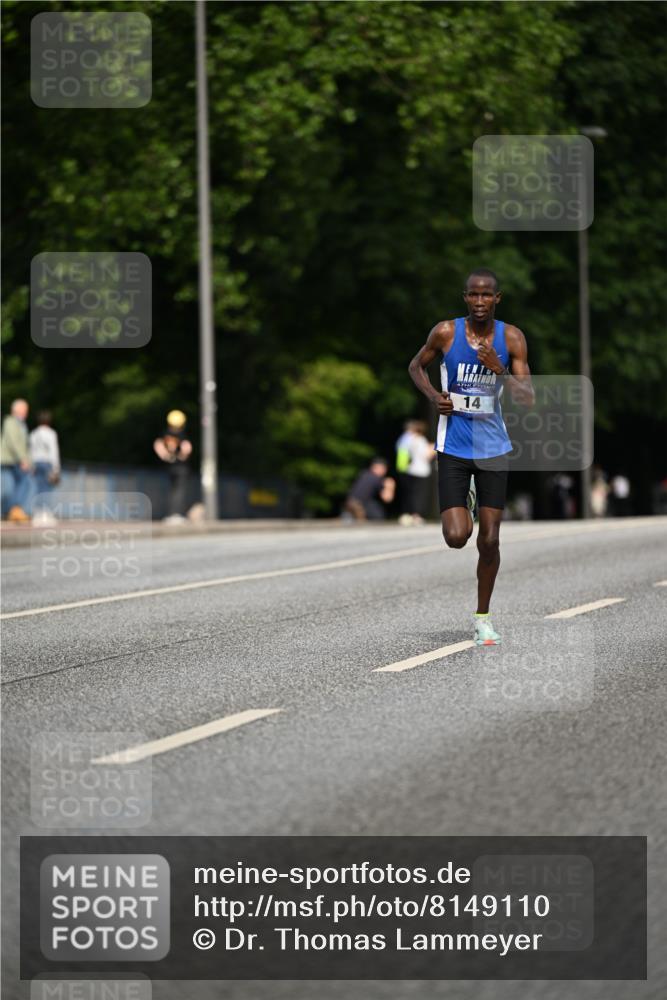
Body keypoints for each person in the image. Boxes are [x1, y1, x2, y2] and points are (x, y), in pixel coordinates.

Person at [408, 269, 534, 646]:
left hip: (494, 448)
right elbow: (416, 366)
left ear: (498, 299)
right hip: (454, 448)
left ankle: (483, 617)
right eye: (473, 295)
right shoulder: (446, 332)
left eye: (487, 296)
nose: (480, 302)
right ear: (465, 297)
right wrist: (434, 397)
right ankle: (470, 501)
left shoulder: (511, 338)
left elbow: (528, 398)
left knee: (490, 540)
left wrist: (501, 371)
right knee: (456, 536)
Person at [153, 410, 193, 522]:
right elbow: (187, 448)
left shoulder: (165, 433)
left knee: (171, 490)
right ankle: (177, 514)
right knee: (179, 491)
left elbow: (158, 445)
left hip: (169, 467)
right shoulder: (182, 435)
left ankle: (170, 514)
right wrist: (182, 456)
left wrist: (166, 456)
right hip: (181, 467)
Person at [395, 420, 435, 525]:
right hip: (421, 471)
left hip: (409, 469)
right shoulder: (420, 440)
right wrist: (434, 449)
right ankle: (416, 516)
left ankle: (406, 514)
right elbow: (426, 455)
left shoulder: (406, 438)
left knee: (409, 493)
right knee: (420, 494)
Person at [0, 398, 32, 521]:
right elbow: (14, 443)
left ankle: (13, 510)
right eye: (25, 409)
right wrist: (23, 459)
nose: (26, 412)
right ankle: (13, 510)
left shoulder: (21, 423)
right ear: (16, 410)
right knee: (11, 486)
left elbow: (24, 444)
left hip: (16, 460)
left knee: (21, 484)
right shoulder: (11, 422)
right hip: (9, 460)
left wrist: (28, 461)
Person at [29, 411, 61, 516]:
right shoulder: (51, 433)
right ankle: (45, 512)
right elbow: (53, 451)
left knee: (38, 488)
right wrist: (56, 467)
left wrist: (31, 465)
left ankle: (37, 511)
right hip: (47, 463)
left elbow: (31, 450)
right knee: (47, 488)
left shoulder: (33, 433)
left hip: (36, 463)